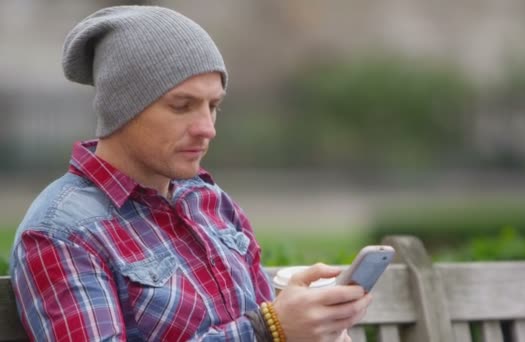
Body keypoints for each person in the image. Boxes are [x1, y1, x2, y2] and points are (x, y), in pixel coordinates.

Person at [10, 6, 372, 342]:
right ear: (123, 109)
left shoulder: (209, 201)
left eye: (213, 106)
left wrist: (313, 326)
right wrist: (268, 328)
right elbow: (268, 329)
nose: (207, 128)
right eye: (182, 106)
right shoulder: (61, 233)